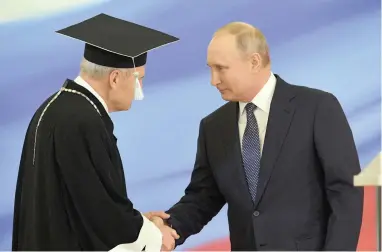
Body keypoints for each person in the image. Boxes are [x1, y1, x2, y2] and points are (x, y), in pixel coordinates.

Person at [150, 22, 364, 250]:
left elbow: (345, 192)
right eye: (210, 69)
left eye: (221, 68)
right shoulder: (213, 127)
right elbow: (203, 197)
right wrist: (168, 226)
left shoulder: (316, 108)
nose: (213, 80)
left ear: (254, 62)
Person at [12, 13, 180, 251]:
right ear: (115, 78)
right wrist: (154, 236)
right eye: (138, 79)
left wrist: (139, 222)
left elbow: (80, 203)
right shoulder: (84, 122)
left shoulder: (56, 108)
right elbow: (102, 215)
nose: (139, 91)